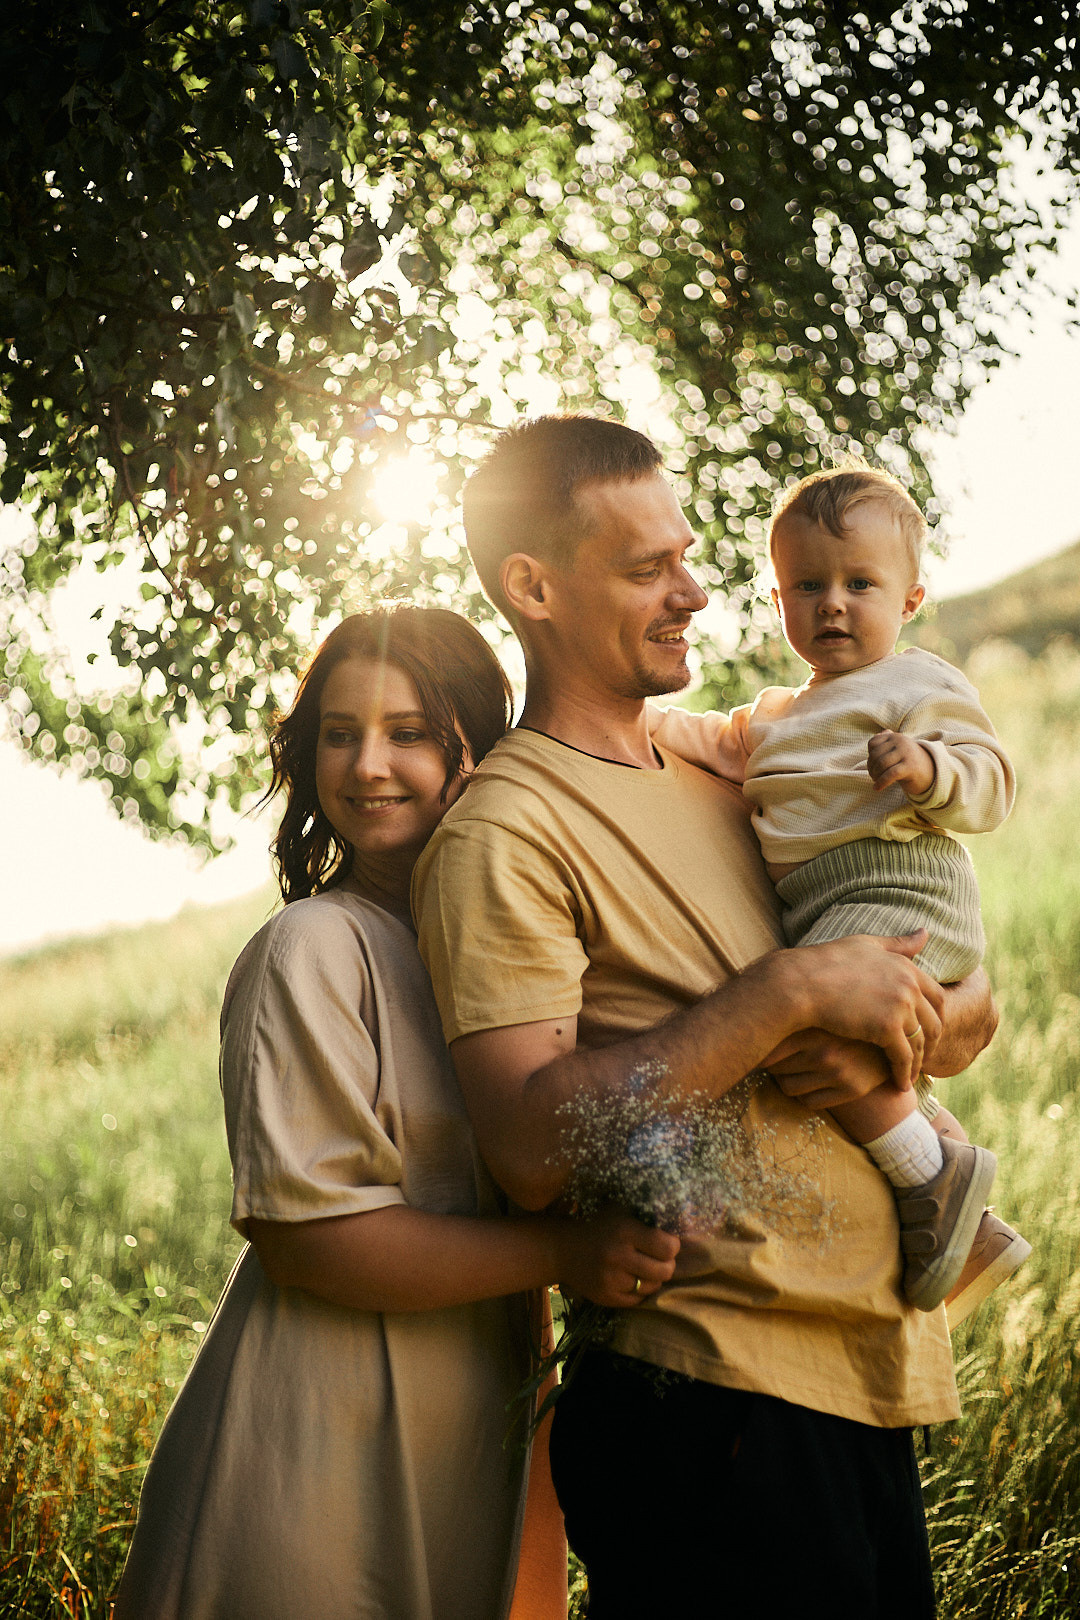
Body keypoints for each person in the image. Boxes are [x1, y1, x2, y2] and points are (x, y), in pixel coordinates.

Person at [412, 417, 999, 1619]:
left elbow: (917, 988)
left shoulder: (733, 771)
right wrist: (787, 994)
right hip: (709, 1404)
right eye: (647, 569)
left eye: (687, 556)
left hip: (863, 1378)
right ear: (534, 586)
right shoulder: (505, 829)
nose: (693, 589)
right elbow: (528, 1148)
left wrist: (956, 1011)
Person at [113, 605, 678, 1620]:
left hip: (477, 1426)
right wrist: (568, 1252)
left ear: (479, 744)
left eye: (409, 732)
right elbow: (312, 1243)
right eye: (340, 733)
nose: (368, 764)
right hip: (314, 1446)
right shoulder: (314, 950)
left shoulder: (518, 960)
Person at [649, 464, 1029, 1323]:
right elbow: (706, 737)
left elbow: (994, 781)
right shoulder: (778, 714)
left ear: (910, 598)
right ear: (777, 599)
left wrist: (931, 768)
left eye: (860, 583)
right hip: (827, 901)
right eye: (806, 585)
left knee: (803, 1023)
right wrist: (639, 722)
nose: (832, 604)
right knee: (833, 1036)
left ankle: (929, 1178)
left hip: (896, 881)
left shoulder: (916, 686)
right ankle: (962, 1195)